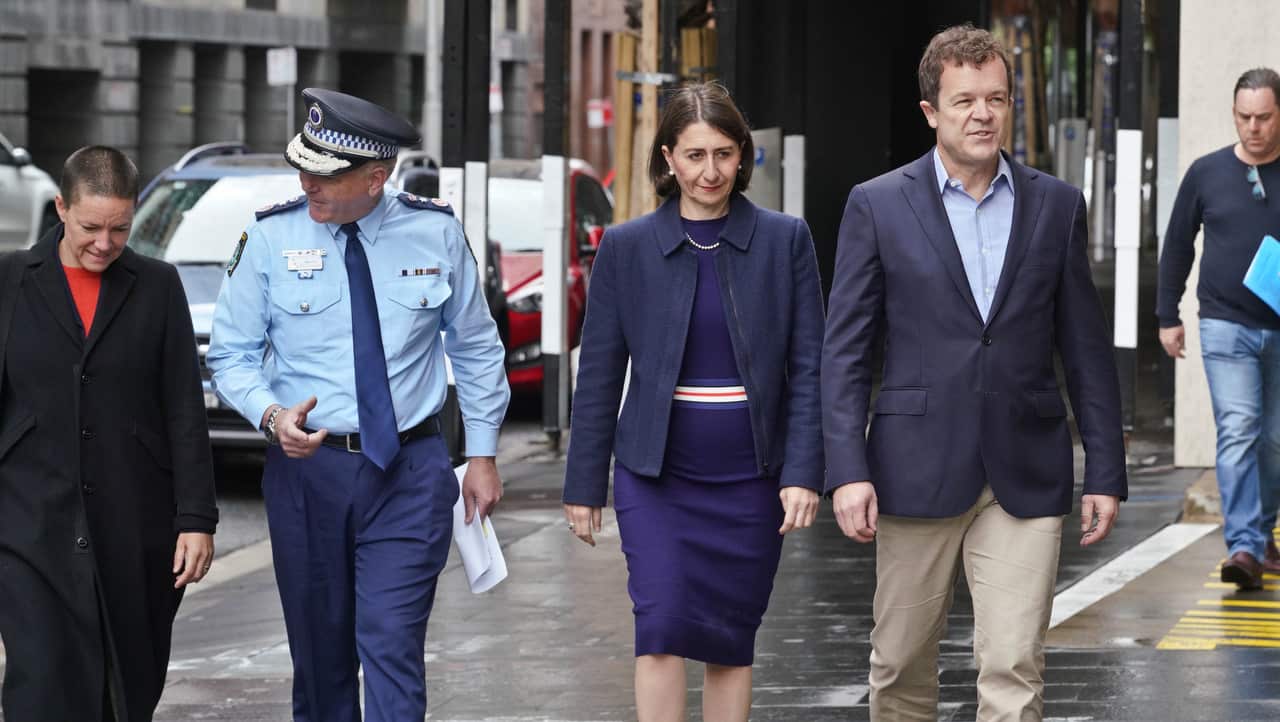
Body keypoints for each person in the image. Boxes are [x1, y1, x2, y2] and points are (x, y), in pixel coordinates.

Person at [821, 25, 1127, 720]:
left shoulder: (1055, 205)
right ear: (931, 111)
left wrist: (1105, 467)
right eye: (964, 101)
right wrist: (846, 468)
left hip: (1025, 469)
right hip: (912, 469)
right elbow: (845, 350)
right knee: (900, 666)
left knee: (1013, 667)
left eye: (996, 98)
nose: (982, 113)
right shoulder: (878, 204)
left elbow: (1085, 348)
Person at [206, 88, 509, 720]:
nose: (306, 183)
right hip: (308, 473)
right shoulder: (268, 237)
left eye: (322, 174)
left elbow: (477, 346)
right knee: (320, 662)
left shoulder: (435, 232)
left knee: (392, 643)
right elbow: (231, 355)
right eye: (302, 169)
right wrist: (270, 415)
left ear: (377, 177)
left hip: (409, 470)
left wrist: (481, 453)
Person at [562, 81, 824, 722]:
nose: (711, 171)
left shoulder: (785, 241)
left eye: (725, 154)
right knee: (661, 625)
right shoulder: (626, 249)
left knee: (730, 640)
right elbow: (598, 372)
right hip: (656, 479)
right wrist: (583, 484)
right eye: (696, 154)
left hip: (750, 480)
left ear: (743, 158)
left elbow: (812, 368)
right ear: (668, 158)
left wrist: (803, 472)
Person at [0, 145, 218, 721]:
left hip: (134, 523)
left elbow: (182, 409)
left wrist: (196, 518)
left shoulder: (159, 286)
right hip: (28, 526)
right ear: (61, 208)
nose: (104, 242)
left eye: (120, 228)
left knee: (126, 688)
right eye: (91, 226)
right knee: (42, 681)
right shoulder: (8, 282)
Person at [1158, 68, 1280, 590]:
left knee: (1274, 441)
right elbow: (1177, 244)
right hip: (1225, 325)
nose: (1253, 127)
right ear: (1234, 115)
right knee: (1238, 428)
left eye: (1264, 117)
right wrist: (1168, 315)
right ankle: (1245, 546)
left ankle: (1263, 531)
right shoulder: (1206, 173)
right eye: (1244, 117)